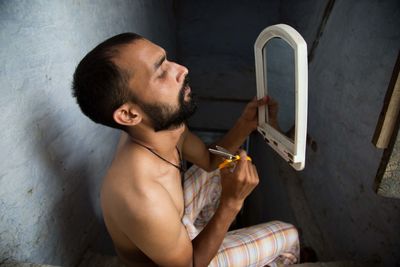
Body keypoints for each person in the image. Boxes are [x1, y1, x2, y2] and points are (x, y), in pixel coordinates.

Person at [72, 32, 299, 267]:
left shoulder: (167, 126)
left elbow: (210, 160)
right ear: (129, 114)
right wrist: (231, 203)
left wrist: (244, 125)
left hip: (174, 228)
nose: (182, 69)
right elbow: (190, 264)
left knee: (218, 169)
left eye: (167, 60)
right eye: (160, 72)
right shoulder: (141, 196)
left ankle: (199, 234)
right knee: (288, 234)